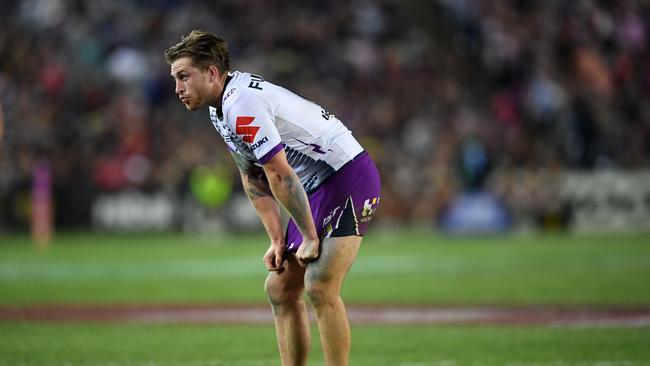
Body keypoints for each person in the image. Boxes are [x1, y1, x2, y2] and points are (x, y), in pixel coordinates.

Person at [165, 30, 381, 366]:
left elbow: (279, 174)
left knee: (320, 286)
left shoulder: (241, 104)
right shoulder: (219, 109)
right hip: (314, 187)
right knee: (280, 289)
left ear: (211, 73)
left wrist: (309, 237)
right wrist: (277, 239)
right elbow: (252, 176)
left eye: (183, 77)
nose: (177, 88)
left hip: (347, 176)